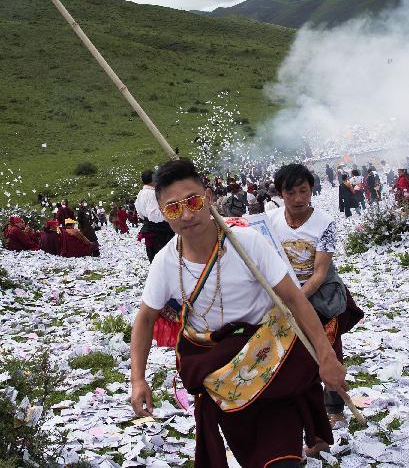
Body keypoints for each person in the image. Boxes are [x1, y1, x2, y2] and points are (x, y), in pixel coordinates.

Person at [130, 159, 350, 467]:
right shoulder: (165, 262)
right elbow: (144, 319)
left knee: (281, 459)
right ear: (163, 213)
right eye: (174, 208)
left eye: (193, 201)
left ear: (208, 198)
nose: (187, 215)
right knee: (251, 453)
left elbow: (294, 299)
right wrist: (138, 379)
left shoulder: (246, 243)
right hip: (224, 377)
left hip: (271, 359)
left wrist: (326, 355)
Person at [267, 164, 363, 427]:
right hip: (283, 294)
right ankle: (296, 405)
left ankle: (335, 407)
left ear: (311, 190)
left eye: (304, 191)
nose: (298, 199)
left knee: (328, 347)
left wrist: (296, 299)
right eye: (291, 193)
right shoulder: (270, 221)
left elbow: (320, 272)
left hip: (320, 296)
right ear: (280, 193)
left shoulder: (324, 223)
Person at [135, 170, 176, 262]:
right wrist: (169, 215)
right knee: (165, 257)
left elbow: (139, 213)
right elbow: (154, 215)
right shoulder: (151, 193)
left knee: (154, 257)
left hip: (150, 228)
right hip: (159, 231)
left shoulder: (141, 193)